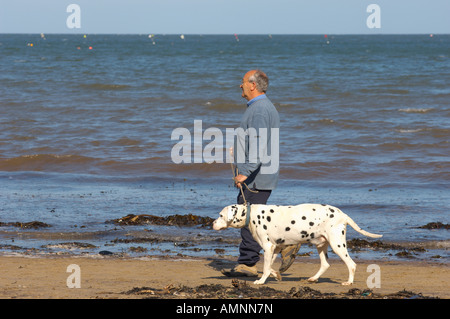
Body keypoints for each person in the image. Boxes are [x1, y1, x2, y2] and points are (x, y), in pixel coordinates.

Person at [223, 70, 300, 278]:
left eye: (242, 82)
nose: (240, 86)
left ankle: (248, 264)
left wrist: (245, 172)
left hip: (257, 176)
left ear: (252, 85)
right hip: (261, 173)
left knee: (248, 218)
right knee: (254, 218)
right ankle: (286, 245)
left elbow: (258, 145)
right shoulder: (261, 107)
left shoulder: (259, 109)